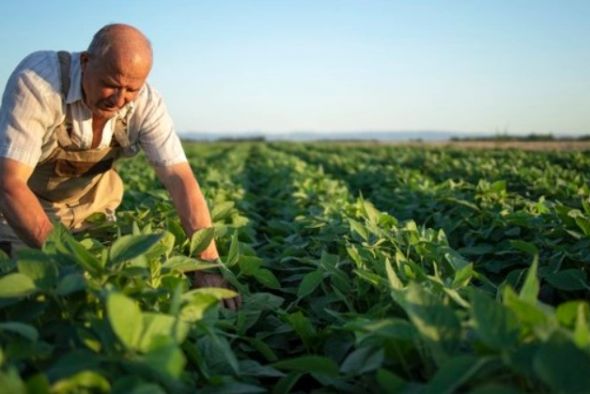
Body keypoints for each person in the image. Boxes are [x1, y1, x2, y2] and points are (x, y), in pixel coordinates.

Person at [0, 23, 240, 309]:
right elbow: (9, 183)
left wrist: (207, 264)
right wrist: (70, 261)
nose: (119, 98)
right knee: (30, 300)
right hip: (25, 210)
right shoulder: (38, 82)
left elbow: (179, 178)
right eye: (111, 84)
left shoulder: (146, 103)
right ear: (86, 62)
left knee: (111, 297)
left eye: (131, 89)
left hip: (93, 210)